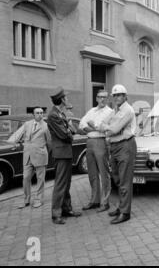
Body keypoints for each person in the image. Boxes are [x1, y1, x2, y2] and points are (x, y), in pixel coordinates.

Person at [90, 84, 137, 225]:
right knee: (116, 178)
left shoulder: (127, 110)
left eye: (119, 95)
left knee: (124, 180)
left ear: (125, 96)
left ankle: (125, 212)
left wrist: (103, 128)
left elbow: (114, 129)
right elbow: (105, 124)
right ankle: (120, 207)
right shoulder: (115, 110)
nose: (116, 98)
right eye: (114, 95)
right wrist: (106, 127)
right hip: (115, 147)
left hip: (125, 146)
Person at [47, 87, 82, 225]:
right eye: (66, 97)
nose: (68, 99)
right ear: (62, 99)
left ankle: (67, 209)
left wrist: (70, 130)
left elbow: (70, 130)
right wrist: (70, 133)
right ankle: (56, 214)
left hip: (65, 152)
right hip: (61, 153)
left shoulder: (61, 114)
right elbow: (65, 135)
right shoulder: (53, 115)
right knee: (60, 184)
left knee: (66, 183)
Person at [10, 107, 51, 209]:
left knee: (40, 179)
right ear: (33, 114)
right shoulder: (27, 124)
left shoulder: (46, 126)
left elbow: (49, 143)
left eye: (41, 113)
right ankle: (26, 199)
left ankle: (38, 200)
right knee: (26, 178)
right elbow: (23, 138)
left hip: (40, 156)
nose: (40, 115)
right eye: (37, 113)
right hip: (27, 155)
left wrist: (43, 152)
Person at [79, 90, 113, 213]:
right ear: (96, 98)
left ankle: (105, 202)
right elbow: (81, 124)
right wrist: (92, 127)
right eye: (100, 97)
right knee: (92, 173)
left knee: (104, 173)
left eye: (105, 97)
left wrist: (94, 127)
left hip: (100, 142)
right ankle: (94, 200)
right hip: (89, 142)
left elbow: (105, 129)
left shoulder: (110, 112)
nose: (102, 99)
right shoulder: (91, 111)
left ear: (108, 99)